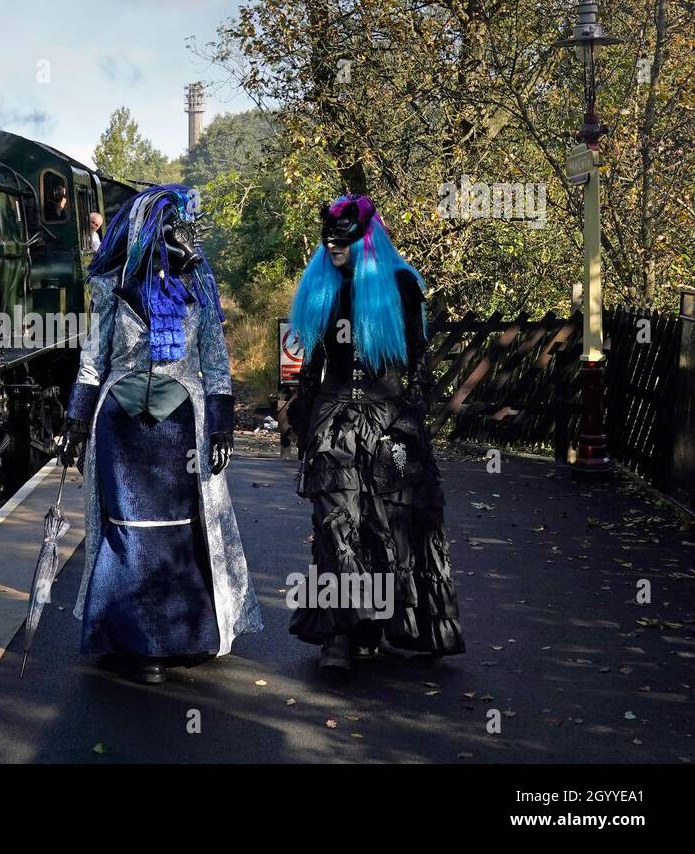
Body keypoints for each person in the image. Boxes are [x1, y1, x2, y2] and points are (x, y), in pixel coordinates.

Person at [59, 184, 263, 684]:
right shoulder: (113, 290)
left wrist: (221, 427)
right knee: (126, 531)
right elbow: (93, 362)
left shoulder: (199, 291)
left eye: (188, 231)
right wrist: (75, 421)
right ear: (152, 236)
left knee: (183, 530)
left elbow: (216, 366)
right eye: (176, 231)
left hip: (183, 431)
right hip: (121, 433)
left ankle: (184, 633)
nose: (187, 241)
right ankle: (133, 639)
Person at [286, 194, 465, 671]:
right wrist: (302, 419)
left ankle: (374, 625)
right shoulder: (324, 289)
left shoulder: (401, 286)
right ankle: (340, 636)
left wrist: (409, 422)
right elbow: (315, 365)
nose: (331, 246)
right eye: (327, 239)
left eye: (341, 239)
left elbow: (421, 363)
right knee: (336, 523)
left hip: (389, 421)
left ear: (365, 239)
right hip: (335, 422)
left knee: (386, 527)